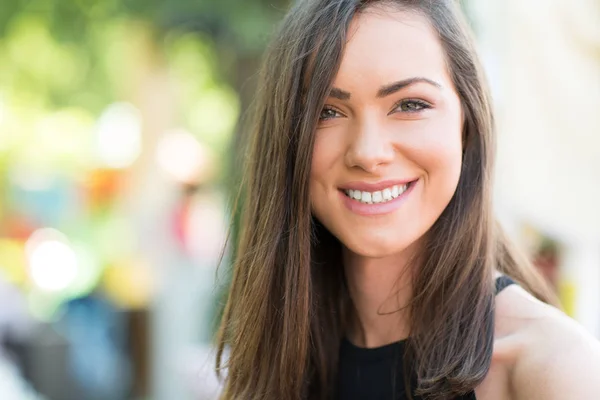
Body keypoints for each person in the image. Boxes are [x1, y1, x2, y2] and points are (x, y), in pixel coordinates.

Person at [215, 0, 600, 399]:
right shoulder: (272, 360)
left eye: (410, 104)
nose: (367, 152)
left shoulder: (556, 371)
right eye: (326, 111)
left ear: (467, 124)